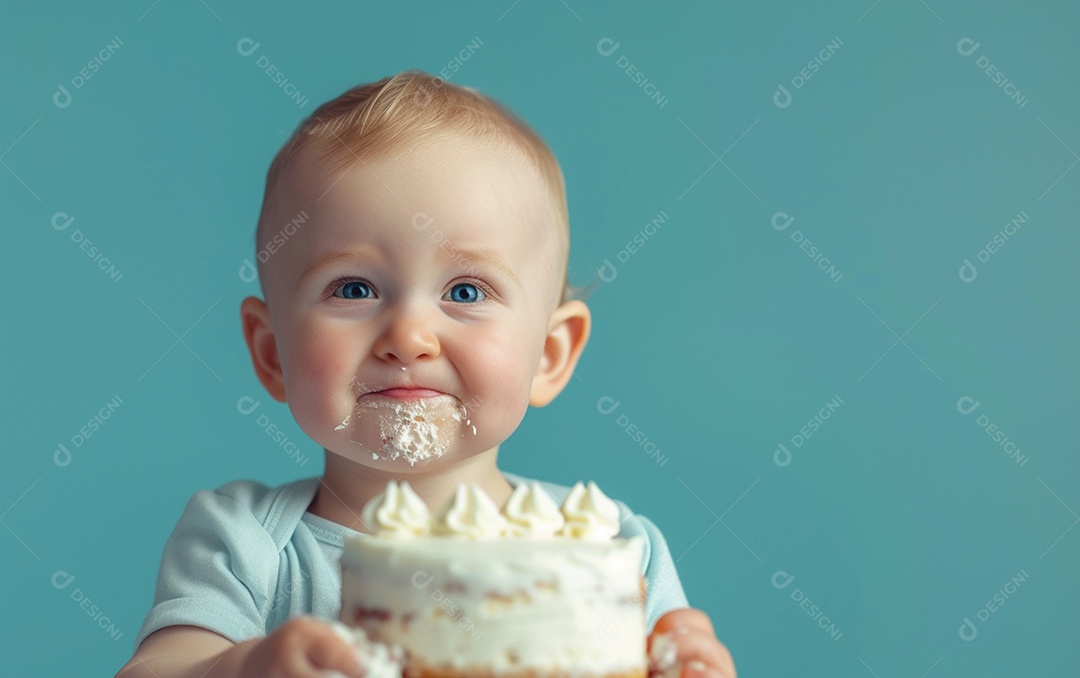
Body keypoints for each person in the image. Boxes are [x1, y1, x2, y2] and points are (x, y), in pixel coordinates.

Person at [116, 70, 735, 678]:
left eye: (466, 290)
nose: (409, 336)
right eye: (354, 288)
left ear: (548, 354)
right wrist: (240, 669)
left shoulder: (609, 546)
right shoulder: (246, 542)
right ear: (272, 353)